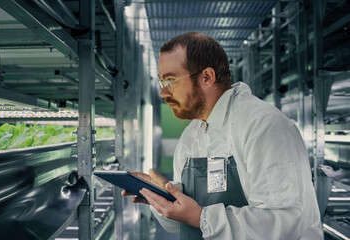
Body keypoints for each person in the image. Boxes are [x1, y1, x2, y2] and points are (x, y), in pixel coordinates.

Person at [122, 32, 323, 239]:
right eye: (162, 82)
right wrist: (164, 197)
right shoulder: (192, 136)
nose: (164, 93)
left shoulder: (264, 126)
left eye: (171, 80)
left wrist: (201, 217)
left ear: (207, 77)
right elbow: (182, 226)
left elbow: (286, 223)